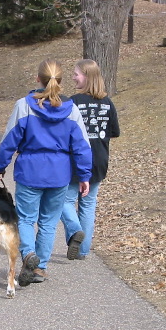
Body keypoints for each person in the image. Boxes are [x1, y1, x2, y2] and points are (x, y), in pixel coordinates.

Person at [0, 58, 92, 286]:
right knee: (48, 221)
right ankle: (40, 268)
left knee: (26, 218)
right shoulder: (71, 110)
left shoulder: (24, 105)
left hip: (30, 171)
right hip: (59, 173)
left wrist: (0, 166)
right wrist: (84, 176)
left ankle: (28, 254)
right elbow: (82, 147)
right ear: (61, 81)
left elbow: (10, 140)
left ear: (38, 78)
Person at [60, 60, 120, 261]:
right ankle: (83, 250)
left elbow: (63, 133)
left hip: (76, 160)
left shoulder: (73, 102)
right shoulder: (107, 103)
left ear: (87, 76)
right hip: (99, 160)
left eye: (76, 73)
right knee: (88, 205)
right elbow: (113, 133)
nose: (73, 77)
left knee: (63, 200)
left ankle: (75, 231)